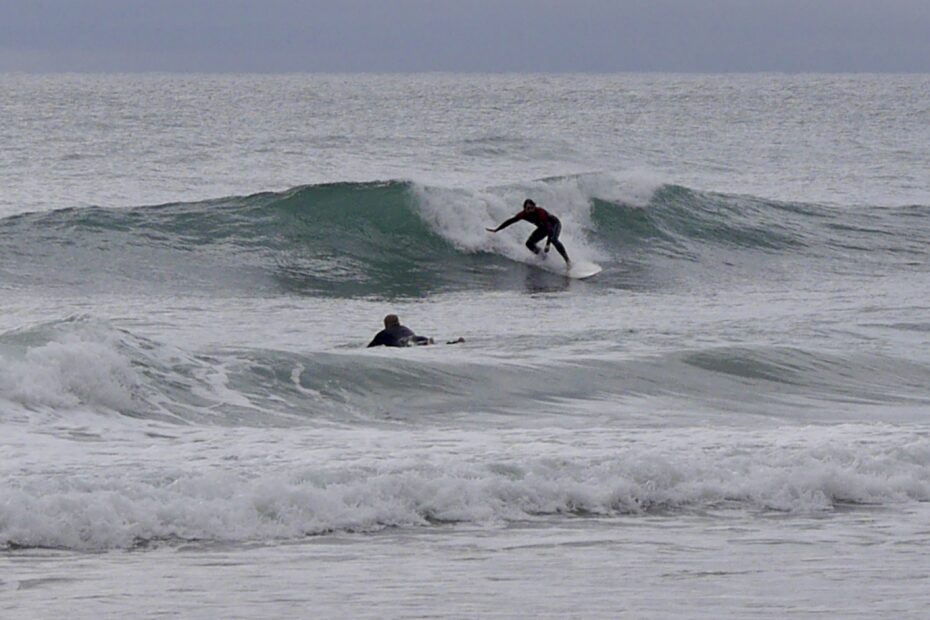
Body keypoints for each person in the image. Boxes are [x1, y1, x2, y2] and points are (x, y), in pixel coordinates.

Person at [486, 199, 571, 267]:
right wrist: (497, 229)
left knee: (553, 240)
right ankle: (544, 258)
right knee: (529, 243)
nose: (530, 210)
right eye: (528, 208)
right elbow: (510, 221)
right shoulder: (523, 215)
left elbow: (549, 228)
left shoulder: (540, 213)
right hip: (543, 228)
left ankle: (568, 261)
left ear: (534, 207)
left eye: (532, 208)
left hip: (554, 224)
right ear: (524, 209)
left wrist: (548, 244)